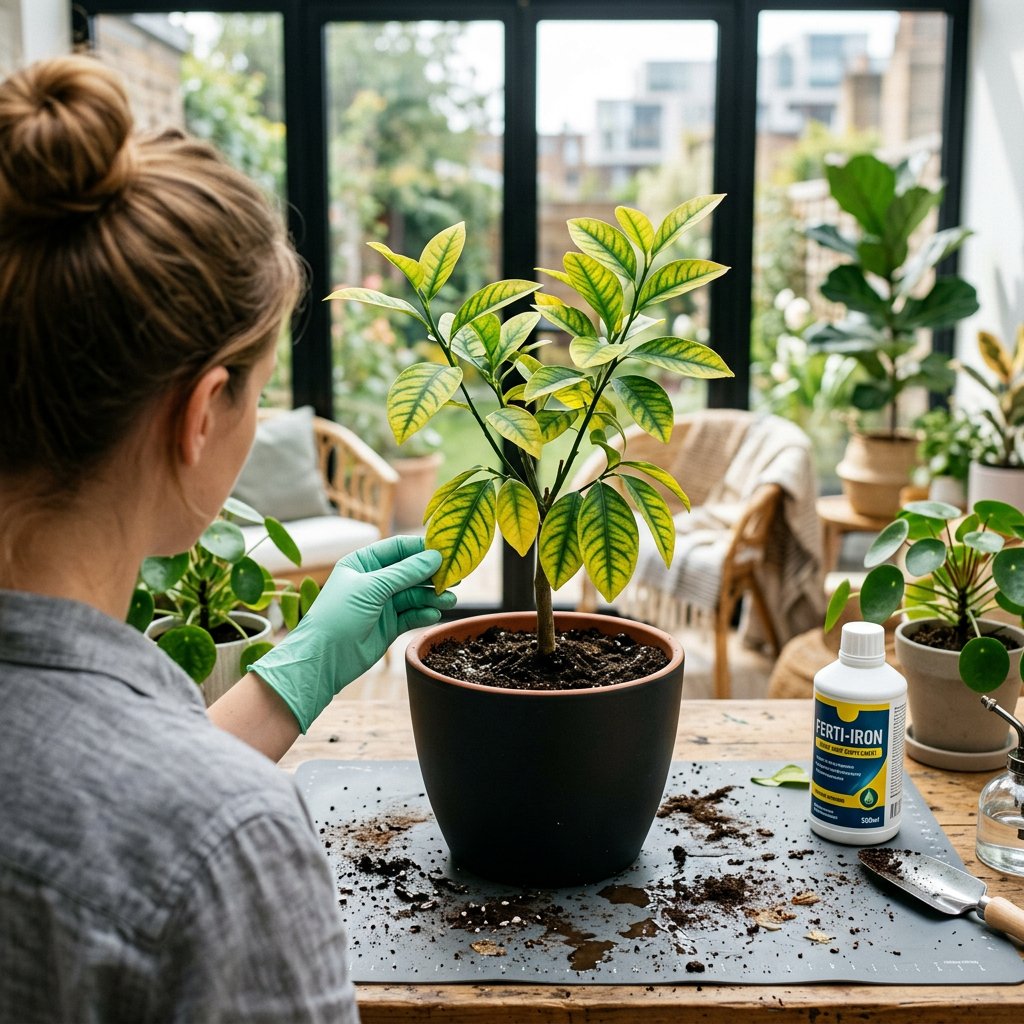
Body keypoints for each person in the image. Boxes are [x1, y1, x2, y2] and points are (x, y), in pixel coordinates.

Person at [0, 54, 454, 1021]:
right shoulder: (228, 849)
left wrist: (294, 676)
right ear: (203, 412)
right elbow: (148, 823)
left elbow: (73, 775)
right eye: (259, 387)